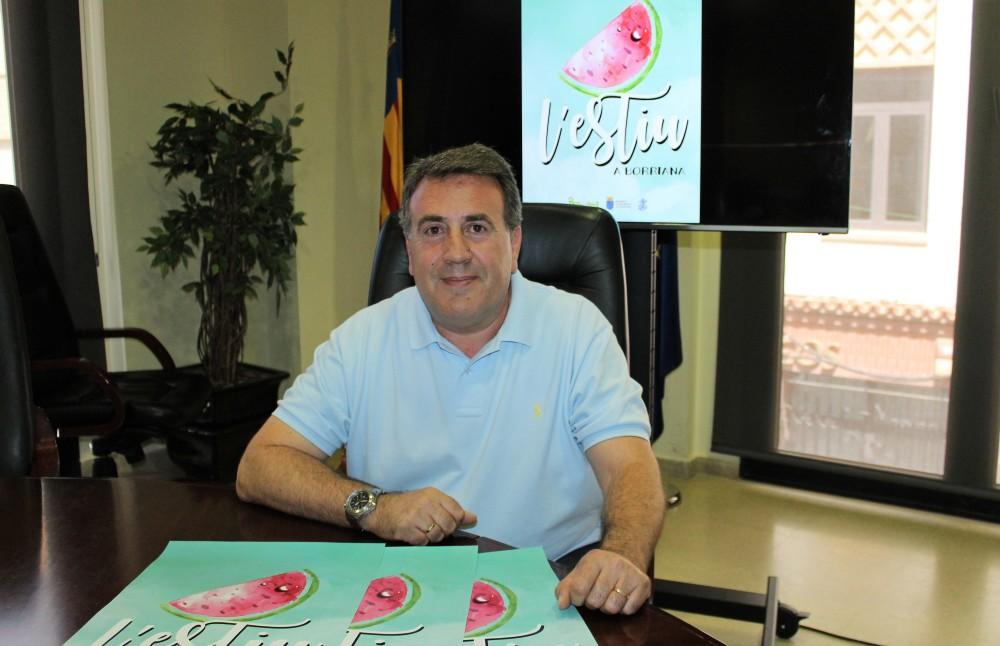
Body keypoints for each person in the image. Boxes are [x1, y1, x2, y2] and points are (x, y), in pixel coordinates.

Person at [236, 143, 665, 615]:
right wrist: (375, 508)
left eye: (476, 228)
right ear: (410, 250)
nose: (455, 253)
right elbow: (259, 465)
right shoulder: (363, 338)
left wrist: (621, 555)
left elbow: (630, 467)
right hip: (399, 586)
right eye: (433, 230)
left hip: (551, 586)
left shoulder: (576, 328)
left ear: (514, 243)